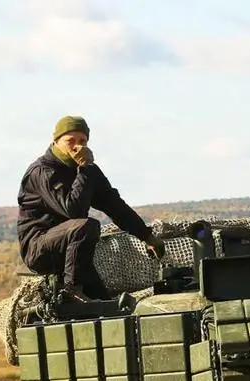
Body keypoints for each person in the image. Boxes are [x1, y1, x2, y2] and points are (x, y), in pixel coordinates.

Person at [17, 115, 166, 299]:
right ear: (56, 141)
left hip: (73, 254)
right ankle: (72, 292)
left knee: (105, 305)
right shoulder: (43, 171)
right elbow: (73, 211)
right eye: (70, 140)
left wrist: (146, 236)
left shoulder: (87, 170)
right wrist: (85, 168)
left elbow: (115, 206)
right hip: (40, 248)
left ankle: (80, 290)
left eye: (83, 141)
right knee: (86, 225)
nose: (77, 146)